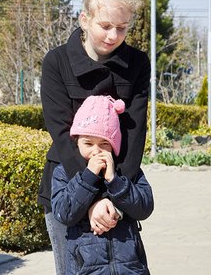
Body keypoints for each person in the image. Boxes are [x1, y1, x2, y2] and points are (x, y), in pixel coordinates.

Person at [38, 0, 150, 275]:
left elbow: (135, 135)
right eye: (105, 25)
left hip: (120, 183)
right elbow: (61, 135)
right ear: (84, 19)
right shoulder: (57, 62)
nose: (114, 35)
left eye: (122, 27)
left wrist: (114, 195)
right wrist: (89, 198)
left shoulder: (137, 63)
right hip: (67, 186)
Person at [51, 95, 154, 274]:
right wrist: (88, 177)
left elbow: (145, 207)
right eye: (88, 143)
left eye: (104, 143)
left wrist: (115, 181)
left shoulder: (126, 171)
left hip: (130, 268)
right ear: (77, 141)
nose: (96, 151)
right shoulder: (65, 172)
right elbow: (64, 212)